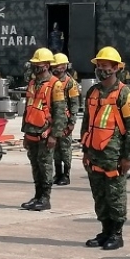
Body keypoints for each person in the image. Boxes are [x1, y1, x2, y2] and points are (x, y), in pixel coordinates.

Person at [81, 46, 130, 250]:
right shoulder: (92, 92)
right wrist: (85, 150)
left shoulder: (124, 94)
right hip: (95, 153)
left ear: (116, 68)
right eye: (99, 66)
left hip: (114, 155)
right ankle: (105, 230)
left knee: (115, 195)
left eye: (105, 66)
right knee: (99, 195)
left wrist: (128, 157)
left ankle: (116, 233)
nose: (101, 70)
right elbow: (87, 123)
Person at [20, 47, 67, 211]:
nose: (34, 66)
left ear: (46, 65)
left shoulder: (56, 85)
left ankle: (45, 199)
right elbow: (28, 108)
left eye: (37, 64)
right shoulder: (32, 83)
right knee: (35, 166)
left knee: (45, 166)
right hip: (31, 132)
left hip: (45, 133)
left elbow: (60, 113)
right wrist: (24, 132)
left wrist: (54, 135)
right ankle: (37, 195)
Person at [51, 53, 80, 185]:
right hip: (53, 120)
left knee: (65, 148)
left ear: (64, 67)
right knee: (55, 148)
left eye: (58, 66)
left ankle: (66, 175)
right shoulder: (51, 81)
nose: (56, 68)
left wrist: (72, 122)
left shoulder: (70, 83)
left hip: (65, 120)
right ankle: (58, 173)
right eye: (54, 66)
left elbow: (74, 103)